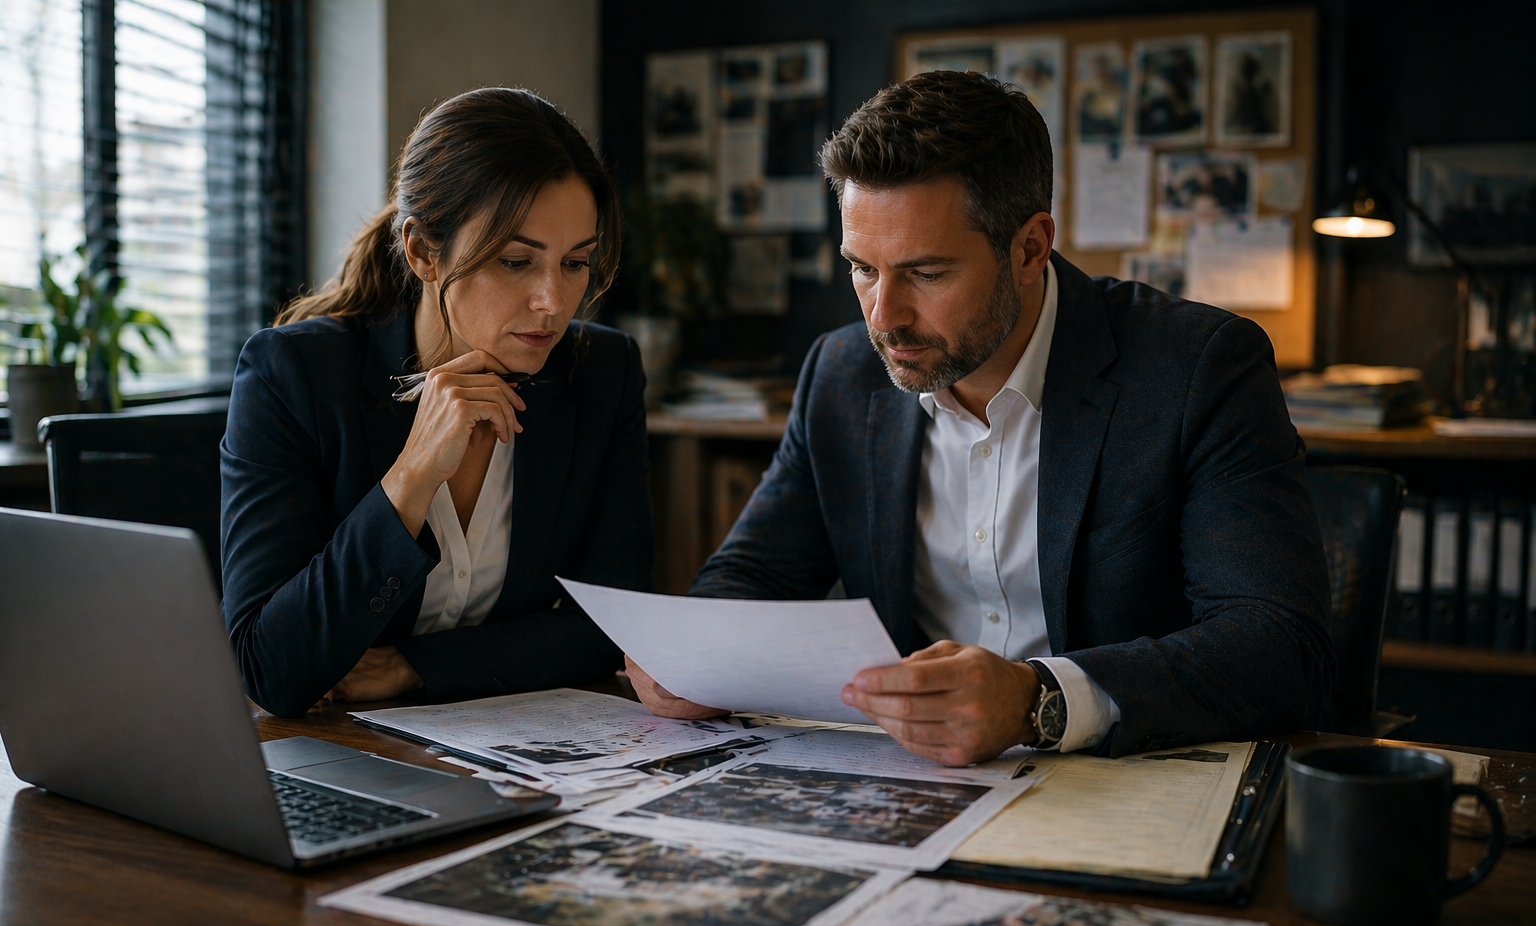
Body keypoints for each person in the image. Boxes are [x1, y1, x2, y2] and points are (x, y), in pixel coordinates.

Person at [628, 71, 1335, 765]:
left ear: (1029, 248)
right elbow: (755, 575)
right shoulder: (840, 374)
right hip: (912, 784)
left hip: (1130, 778)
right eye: (862, 268)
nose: (884, 317)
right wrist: (693, 656)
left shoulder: (1197, 368)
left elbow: (1277, 644)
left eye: (926, 274)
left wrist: (1038, 701)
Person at [221, 88, 651, 718]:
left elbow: (621, 623)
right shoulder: (292, 376)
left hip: (518, 749)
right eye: (515, 262)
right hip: (333, 755)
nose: (554, 302)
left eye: (576, 263)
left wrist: (412, 667)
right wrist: (413, 475)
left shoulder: (601, 372)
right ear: (422, 251)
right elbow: (269, 666)